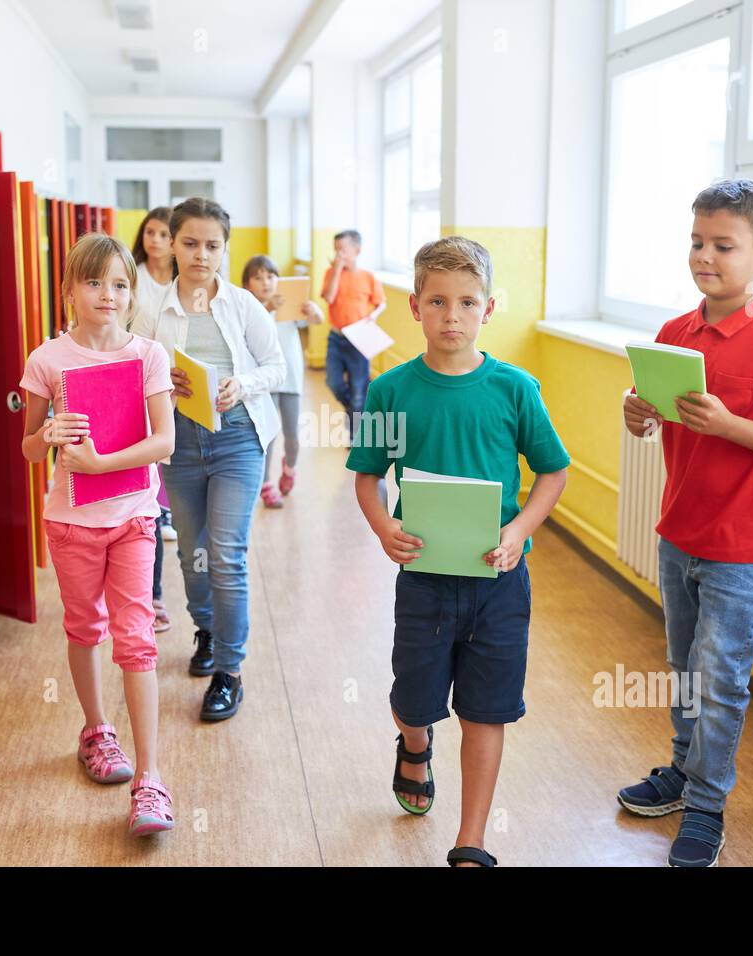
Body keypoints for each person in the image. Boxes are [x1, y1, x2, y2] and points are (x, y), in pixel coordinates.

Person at [345, 236, 570, 867]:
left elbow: (552, 472)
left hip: (498, 582)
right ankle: (414, 744)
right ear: (414, 306)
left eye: (467, 302)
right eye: (438, 302)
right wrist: (383, 527)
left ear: (489, 309)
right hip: (423, 580)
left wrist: (519, 529)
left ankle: (470, 840)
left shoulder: (515, 389)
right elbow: (367, 475)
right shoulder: (391, 391)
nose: (452, 316)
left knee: (485, 710)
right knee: (413, 699)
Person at [617, 179, 753, 867]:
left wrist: (730, 424)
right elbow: (654, 414)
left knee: (722, 672)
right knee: (682, 664)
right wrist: (637, 413)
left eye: (722, 245)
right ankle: (681, 770)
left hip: (743, 543)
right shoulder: (674, 334)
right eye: (697, 241)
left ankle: (707, 804)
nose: (705, 255)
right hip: (681, 532)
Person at [20, 232, 177, 835]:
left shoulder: (148, 356)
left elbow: (163, 442)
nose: (106, 295)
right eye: (93, 283)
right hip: (71, 524)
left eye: (118, 284)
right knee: (85, 627)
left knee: (136, 641)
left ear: (132, 293)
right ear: (69, 291)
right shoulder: (48, 360)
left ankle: (151, 779)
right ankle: (96, 731)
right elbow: (29, 449)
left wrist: (100, 465)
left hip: (134, 517)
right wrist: (50, 438)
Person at [133, 198, 287, 721]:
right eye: (191, 243)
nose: (202, 255)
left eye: (213, 245)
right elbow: (133, 372)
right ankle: (205, 628)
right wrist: (162, 385)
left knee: (226, 554)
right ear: (172, 244)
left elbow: (277, 367)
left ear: (225, 248)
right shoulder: (151, 309)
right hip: (179, 442)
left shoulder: (243, 305)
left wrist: (239, 384)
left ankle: (229, 670)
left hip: (238, 441)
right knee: (190, 557)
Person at [240, 254, 323, 508]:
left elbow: (317, 320)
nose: (265, 282)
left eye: (270, 276)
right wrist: (269, 308)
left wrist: (313, 310)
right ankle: (266, 485)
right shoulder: (247, 308)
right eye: (258, 277)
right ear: (247, 285)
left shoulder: (289, 304)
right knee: (267, 436)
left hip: (291, 380)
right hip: (264, 382)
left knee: (292, 437)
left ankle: (289, 468)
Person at [321, 229, 384, 430]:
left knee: (359, 390)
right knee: (334, 383)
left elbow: (381, 303)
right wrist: (337, 270)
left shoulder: (368, 277)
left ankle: (355, 435)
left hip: (359, 338)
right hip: (337, 338)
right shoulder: (331, 274)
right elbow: (329, 297)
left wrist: (372, 316)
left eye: (342, 250)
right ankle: (355, 409)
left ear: (356, 250)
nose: (338, 255)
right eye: (335, 251)